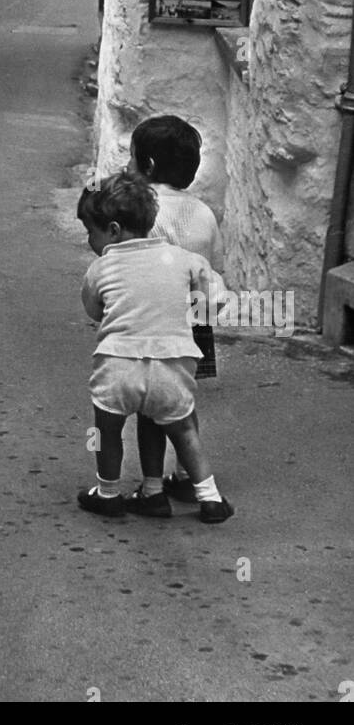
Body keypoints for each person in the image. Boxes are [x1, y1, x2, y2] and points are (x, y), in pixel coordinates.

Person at [76, 172, 234, 524]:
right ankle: (208, 498)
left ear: (114, 230)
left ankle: (108, 493)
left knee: (108, 429)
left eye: (91, 232)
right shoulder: (184, 259)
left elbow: (94, 309)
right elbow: (217, 299)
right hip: (172, 365)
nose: (90, 241)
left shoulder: (100, 267)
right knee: (182, 429)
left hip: (118, 367)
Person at [128, 115, 224, 511]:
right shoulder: (203, 212)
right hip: (195, 323)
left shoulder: (145, 211)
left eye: (132, 159)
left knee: (151, 406)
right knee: (182, 401)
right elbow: (214, 266)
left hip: (155, 321)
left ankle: (152, 489)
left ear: (147, 166)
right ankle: (186, 477)